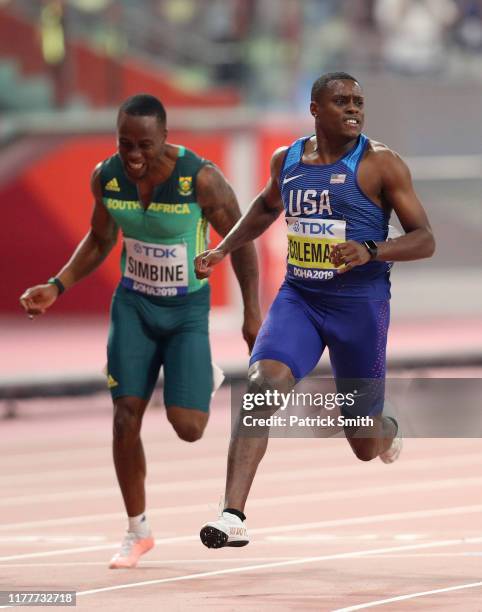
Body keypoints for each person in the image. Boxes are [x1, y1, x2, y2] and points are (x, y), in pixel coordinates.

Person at [19, 94, 261, 567]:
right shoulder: (106, 177)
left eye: (144, 145)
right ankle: (138, 530)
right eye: (124, 143)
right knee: (124, 416)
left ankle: (197, 372)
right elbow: (101, 238)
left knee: (189, 428)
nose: (133, 155)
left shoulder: (202, 180)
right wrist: (57, 285)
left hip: (187, 311)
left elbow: (243, 241)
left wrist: (253, 312)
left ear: (166, 139)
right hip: (133, 307)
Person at [195, 72, 435, 548]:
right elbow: (266, 207)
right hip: (299, 299)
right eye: (341, 100)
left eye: (359, 102)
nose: (353, 109)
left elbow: (425, 238)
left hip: (359, 308)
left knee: (363, 443)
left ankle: (385, 427)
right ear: (315, 109)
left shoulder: (381, 164)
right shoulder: (287, 160)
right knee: (260, 389)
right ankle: (231, 514)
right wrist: (224, 248)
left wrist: (372, 249)